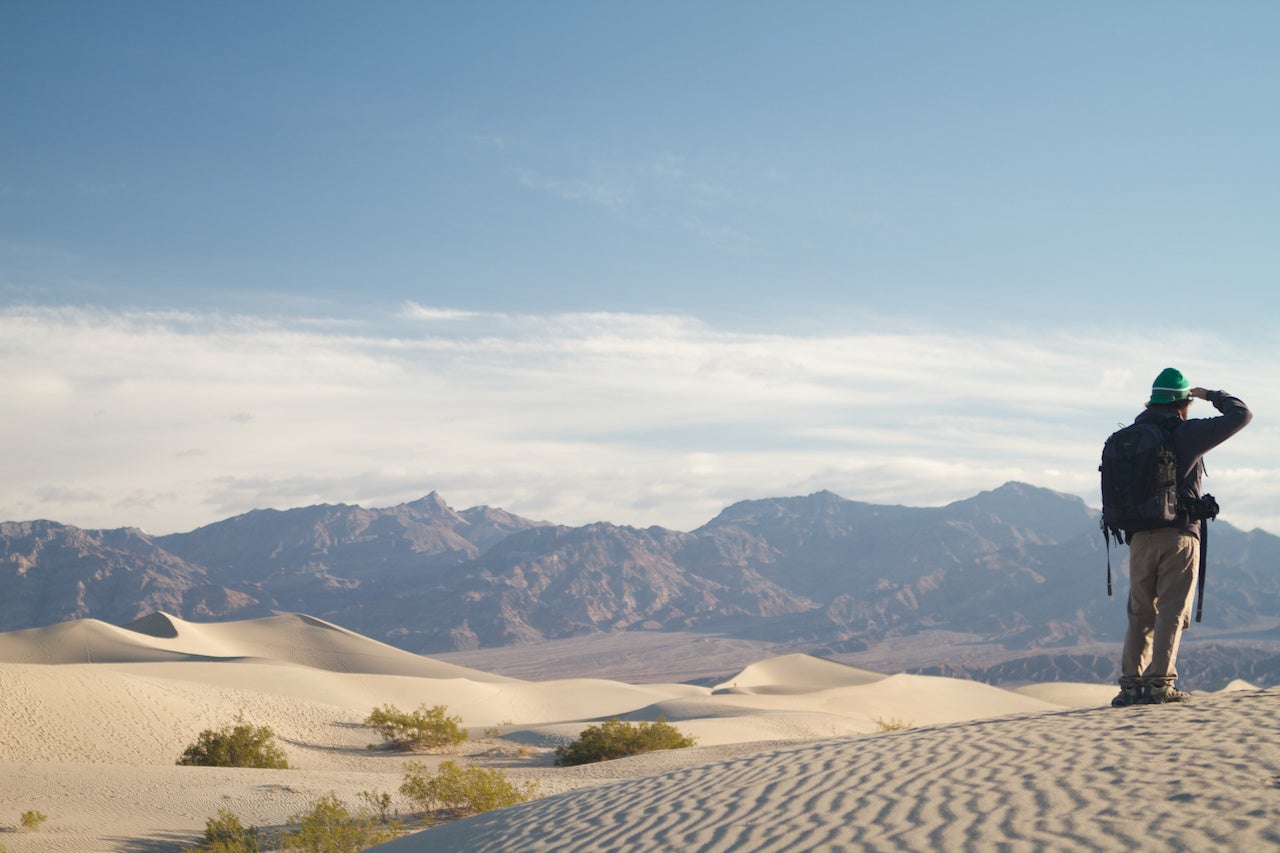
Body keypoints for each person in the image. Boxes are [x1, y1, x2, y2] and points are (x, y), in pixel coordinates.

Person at [1112, 367, 1251, 707]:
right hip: (1178, 537)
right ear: (1182, 402)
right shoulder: (1187, 434)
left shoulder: (1131, 435)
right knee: (1171, 612)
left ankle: (1131, 686)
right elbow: (1241, 414)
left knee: (1140, 613)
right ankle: (1160, 684)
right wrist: (1210, 395)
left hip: (1139, 538)